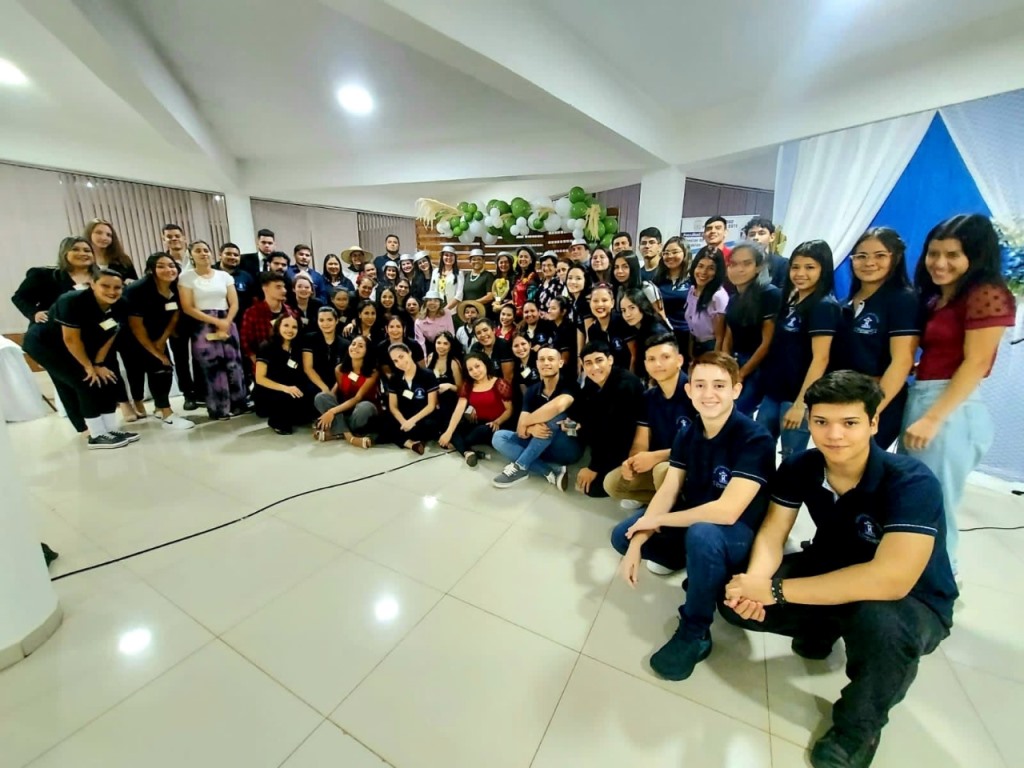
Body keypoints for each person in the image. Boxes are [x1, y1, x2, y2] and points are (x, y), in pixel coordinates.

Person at [722, 371, 957, 768]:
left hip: (911, 600)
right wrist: (759, 581)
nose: (834, 435)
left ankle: (857, 729)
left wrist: (777, 592)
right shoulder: (802, 467)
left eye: (849, 423)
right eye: (821, 422)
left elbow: (891, 579)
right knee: (732, 598)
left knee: (879, 624)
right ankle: (824, 626)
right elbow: (773, 532)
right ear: (809, 421)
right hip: (832, 567)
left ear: (873, 423)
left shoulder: (911, 482)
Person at [613, 352, 775, 681]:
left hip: (739, 532)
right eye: (699, 385)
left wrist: (654, 523)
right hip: (698, 521)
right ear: (690, 391)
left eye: (719, 385)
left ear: (736, 390)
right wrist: (638, 540)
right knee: (623, 536)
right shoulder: (689, 433)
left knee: (702, 533)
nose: (708, 393)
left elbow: (728, 512)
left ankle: (695, 630)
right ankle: (700, 567)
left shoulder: (754, 438)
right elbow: (669, 490)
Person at [900, 213, 1016, 575]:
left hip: (950, 408)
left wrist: (934, 417)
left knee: (937, 505)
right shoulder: (940, 298)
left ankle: (940, 585)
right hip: (924, 397)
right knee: (914, 498)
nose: (940, 263)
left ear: (976, 256)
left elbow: (977, 362)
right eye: (934, 253)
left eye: (953, 255)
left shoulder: (987, 293)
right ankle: (908, 575)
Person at [22, 269, 137, 448]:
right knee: (86, 381)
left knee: (106, 378)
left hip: (84, 344)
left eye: (117, 287)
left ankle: (109, 428)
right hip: (46, 345)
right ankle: (96, 435)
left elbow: (112, 333)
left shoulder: (121, 304)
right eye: (105, 286)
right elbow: (70, 339)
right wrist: (89, 367)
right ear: (92, 285)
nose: (112, 291)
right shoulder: (71, 301)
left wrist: (99, 363)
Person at [831, 228, 920, 449]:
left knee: (861, 469)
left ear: (896, 258)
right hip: (842, 399)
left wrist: (874, 410)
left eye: (880, 255)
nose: (869, 262)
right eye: (861, 256)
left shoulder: (903, 300)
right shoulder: (844, 304)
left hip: (879, 401)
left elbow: (902, 362)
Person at [756, 240, 840, 457]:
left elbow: (821, 358)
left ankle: (786, 493)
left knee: (791, 457)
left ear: (824, 270)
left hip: (797, 397)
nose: (800, 273)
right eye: (796, 267)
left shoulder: (824, 306)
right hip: (774, 392)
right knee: (759, 448)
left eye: (810, 267)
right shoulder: (791, 300)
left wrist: (801, 404)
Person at [604, 333, 693, 507]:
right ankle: (671, 503)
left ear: (679, 360)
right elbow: (640, 442)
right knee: (613, 483)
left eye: (665, 357)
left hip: (693, 464)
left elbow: (704, 444)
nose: (658, 364)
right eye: (651, 359)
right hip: (661, 463)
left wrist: (657, 456)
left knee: (662, 471)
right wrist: (632, 462)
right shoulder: (648, 397)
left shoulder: (695, 392)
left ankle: (670, 516)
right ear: (645, 364)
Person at [491, 345, 582, 490]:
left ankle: (520, 466)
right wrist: (531, 429)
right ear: (537, 364)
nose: (546, 363)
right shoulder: (532, 391)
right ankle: (549, 471)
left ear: (560, 363)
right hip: (538, 445)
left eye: (551, 359)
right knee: (499, 437)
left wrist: (528, 423)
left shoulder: (570, 385)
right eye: (542, 359)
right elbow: (521, 430)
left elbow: (558, 406)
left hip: (566, 448)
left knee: (555, 417)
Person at [121, 252, 194, 430]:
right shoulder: (138, 290)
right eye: (161, 266)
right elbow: (136, 326)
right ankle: (151, 407)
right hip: (130, 336)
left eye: (171, 265)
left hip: (157, 333)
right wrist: (154, 351)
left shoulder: (176, 287)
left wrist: (162, 341)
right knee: (143, 370)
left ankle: (162, 408)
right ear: (151, 270)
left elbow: (175, 314)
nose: (168, 269)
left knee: (163, 369)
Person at [178, 240, 248, 420]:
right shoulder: (186, 278)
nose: (203, 254)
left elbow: (234, 303)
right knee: (212, 367)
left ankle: (238, 404)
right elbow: (188, 307)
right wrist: (214, 320)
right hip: (202, 324)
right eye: (198, 251)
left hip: (227, 321)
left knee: (233, 364)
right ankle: (219, 408)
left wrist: (226, 321)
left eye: (206, 250)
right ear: (191, 255)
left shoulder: (223, 276)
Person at [570, 341, 645, 497]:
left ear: (610, 360)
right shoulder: (594, 380)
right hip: (609, 437)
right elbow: (581, 405)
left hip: (631, 444)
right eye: (588, 363)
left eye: (599, 360)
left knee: (592, 489)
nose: (594, 368)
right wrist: (575, 423)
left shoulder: (625, 385)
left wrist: (594, 467)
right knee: (582, 427)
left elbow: (618, 433)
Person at [85, 219, 136, 421]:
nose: (104, 238)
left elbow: (132, 282)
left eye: (108, 234)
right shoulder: (84, 261)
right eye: (99, 233)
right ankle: (123, 402)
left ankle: (137, 399)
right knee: (108, 360)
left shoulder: (122, 260)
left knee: (131, 358)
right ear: (89, 235)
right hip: (95, 319)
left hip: (121, 313)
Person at [723, 242, 782, 417]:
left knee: (736, 413)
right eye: (733, 264)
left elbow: (766, 343)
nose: (738, 269)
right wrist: (727, 364)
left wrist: (741, 374)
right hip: (735, 362)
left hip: (758, 368)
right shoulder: (734, 298)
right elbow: (729, 334)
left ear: (758, 267)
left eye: (746, 264)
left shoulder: (769, 294)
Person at [439, 350, 514, 466]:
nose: (475, 371)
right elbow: (459, 408)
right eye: (470, 369)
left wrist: (498, 421)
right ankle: (468, 452)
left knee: (481, 430)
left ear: (485, 364)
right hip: (476, 422)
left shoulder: (499, 383)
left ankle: (459, 445)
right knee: (448, 424)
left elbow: (509, 410)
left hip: (494, 424)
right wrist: (449, 432)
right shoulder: (468, 385)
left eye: (477, 366)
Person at [12, 236, 97, 327]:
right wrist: (34, 314)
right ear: (64, 253)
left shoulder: (103, 277)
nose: (82, 253)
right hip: (51, 331)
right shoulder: (45, 275)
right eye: (75, 249)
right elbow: (20, 297)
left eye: (87, 250)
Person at [313, 334, 379, 447]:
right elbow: (338, 389)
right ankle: (347, 434)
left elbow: (358, 398)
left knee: (365, 407)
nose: (355, 348)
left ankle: (340, 433)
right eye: (353, 344)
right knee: (320, 397)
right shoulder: (339, 369)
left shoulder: (373, 373)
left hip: (363, 411)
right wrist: (327, 407)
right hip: (345, 409)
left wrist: (332, 412)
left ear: (367, 351)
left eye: (360, 346)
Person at [162, 224, 202, 410]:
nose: (174, 239)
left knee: (201, 353)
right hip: (176, 316)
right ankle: (188, 394)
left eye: (177, 236)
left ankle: (202, 391)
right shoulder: (163, 262)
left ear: (184, 237)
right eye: (169, 237)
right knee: (180, 357)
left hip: (200, 312)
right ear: (164, 239)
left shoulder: (196, 256)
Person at [379, 342, 442, 454]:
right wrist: (404, 422)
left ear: (409, 353)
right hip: (404, 417)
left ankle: (406, 439)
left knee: (430, 425)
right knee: (384, 422)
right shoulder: (395, 378)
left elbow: (431, 405)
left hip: (422, 417)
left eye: (401, 357)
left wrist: (412, 421)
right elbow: (393, 407)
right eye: (395, 361)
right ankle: (411, 444)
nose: (400, 362)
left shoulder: (427, 375)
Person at [254, 316, 313, 435]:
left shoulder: (298, 347)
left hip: (292, 387)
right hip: (271, 389)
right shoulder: (266, 346)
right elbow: (260, 379)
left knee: (310, 394)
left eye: (294, 327)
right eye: (286, 325)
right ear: (278, 327)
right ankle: (277, 421)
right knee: (285, 413)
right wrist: (285, 388)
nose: (290, 330)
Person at [241, 272, 299, 369]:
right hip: (263, 367)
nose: (284, 290)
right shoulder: (252, 313)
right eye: (278, 287)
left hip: (289, 367)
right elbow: (246, 343)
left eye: (284, 287)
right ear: (265, 288)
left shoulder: (290, 313)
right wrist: (258, 363)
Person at [685, 248, 729, 358]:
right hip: (695, 346)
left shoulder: (717, 296)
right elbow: (692, 326)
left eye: (711, 268)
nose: (703, 272)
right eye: (700, 266)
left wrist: (715, 361)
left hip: (710, 348)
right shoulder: (692, 290)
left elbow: (720, 338)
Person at [652, 236, 693, 354]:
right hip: (662, 334)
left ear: (685, 253)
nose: (670, 256)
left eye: (675, 252)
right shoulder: (658, 279)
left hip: (687, 335)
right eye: (666, 253)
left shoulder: (693, 280)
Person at [618, 290, 670, 378]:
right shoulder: (638, 327)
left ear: (642, 306)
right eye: (623, 310)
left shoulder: (656, 331)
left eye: (632, 308)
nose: (627, 314)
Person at [585, 283, 635, 371]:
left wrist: (631, 379)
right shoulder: (592, 330)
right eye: (595, 301)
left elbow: (634, 354)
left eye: (604, 300)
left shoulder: (622, 321)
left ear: (612, 303)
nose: (600, 304)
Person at [302, 306, 349, 396]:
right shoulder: (309, 339)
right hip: (315, 384)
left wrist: (333, 391)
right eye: (321, 320)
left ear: (337, 321)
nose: (325, 324)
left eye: (329, 320)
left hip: (337, 385)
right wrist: (324, 388)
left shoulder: (345, 344)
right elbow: (308, 368)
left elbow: (344, 371)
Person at [612, 251, 667, 323]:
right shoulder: (620, 290)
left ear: (633, 268)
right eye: (616, 267)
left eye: (625, 267)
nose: (619, 271)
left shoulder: (647, 288)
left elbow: (661, 318)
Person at [215, 242, 256, 323]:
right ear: (220, 255)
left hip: (240, 322)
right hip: (214, 320)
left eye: (236, 255)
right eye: (228, 254)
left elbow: (252, 301)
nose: (232, 257)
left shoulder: (246, 276)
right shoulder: (210, 272)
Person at [743, 216, 788, 288]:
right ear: (746, 238)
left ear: (772, 237)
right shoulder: (740, 263)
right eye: (752, 234)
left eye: (761, 233)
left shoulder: (782, 263)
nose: (756, 238)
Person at [470, 317, 515, 382]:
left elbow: (508, 379)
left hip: (502, 386)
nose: (483, 334)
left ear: (493, 330)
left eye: (485, 330)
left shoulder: (504, 345)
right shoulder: (475, 348)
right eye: (478, 333)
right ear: (476, 337)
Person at [415, 289, 455, 354]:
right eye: (429, 300)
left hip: (447, 345)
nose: (432, 303)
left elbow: (451, 334)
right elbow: (420, 343)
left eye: (436, 300)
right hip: (430, 348)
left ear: (440, 303)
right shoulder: (419, 322)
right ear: (425, 303)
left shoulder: (446, 313)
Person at [547, 296, 578, 373]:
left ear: (563, 312)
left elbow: (565, 360)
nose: (549, 311)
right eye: (549, 308)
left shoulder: (568, 328)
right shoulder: (550, 325)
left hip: (565, 370)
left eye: (553, 308)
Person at [510, 246, 539, 320]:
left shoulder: (532, 277)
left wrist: (524, 321)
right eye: (521, 256)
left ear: (531, 260)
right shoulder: (517, 276)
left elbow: (531, 302)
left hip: (526, 317)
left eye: (526, 257)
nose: (523, 259)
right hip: (514, 316)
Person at [431, 245, 464, 311]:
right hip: (437, 307)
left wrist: (446, 309)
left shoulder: (459, 273)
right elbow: (432, 290)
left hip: (452, 309)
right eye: (446, 255)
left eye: (451, 255)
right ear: (442, 257)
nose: (449, 257)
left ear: (455, 258)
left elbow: (459, 295)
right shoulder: (435, 271)